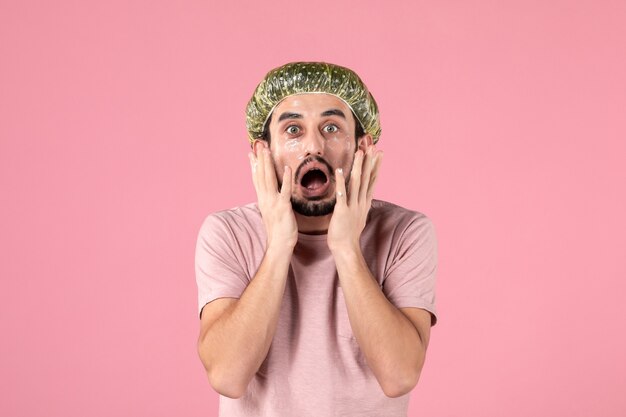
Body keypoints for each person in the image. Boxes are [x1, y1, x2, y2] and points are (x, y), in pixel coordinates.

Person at [195, 61, 438, 417]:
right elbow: (228, 376)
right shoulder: (228, 233)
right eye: (293, 129)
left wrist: (346, 248)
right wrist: (279, 246)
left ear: (362, 146)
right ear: (264, 152)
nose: (314, 146)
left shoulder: (405, 232)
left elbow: (399, 375)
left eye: (331, 127)